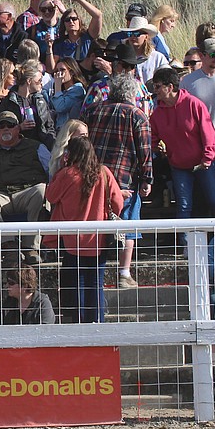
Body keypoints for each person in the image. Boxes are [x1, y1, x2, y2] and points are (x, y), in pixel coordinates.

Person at [82, 73, 153, 288]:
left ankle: (96, 275)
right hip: (124, 181)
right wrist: (147, 179)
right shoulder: (137, 115)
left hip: (93, 179)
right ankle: (124, 273)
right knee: (129, 225)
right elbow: (145, 151)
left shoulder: (92, 111)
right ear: (131, 94)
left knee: (97, 224)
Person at [44, 136, 124, 322]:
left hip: (73, 242)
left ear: (71, 153)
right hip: (99, 240)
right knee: (96, 285)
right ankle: (98, 324)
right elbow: (118, 203)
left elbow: (51, 196)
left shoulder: (67, 174)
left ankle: (81, 326)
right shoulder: (104, 173)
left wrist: (59, 169)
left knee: (77, 285)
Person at [0, 109, 51, 262]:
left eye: (10, 125)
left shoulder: (36, 147)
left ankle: (30, 248)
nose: (6, 128)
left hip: (27, 192)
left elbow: (52, 171)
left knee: (41, 190)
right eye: (1, 125)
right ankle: (8, 247)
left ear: (18, 128)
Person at [149, 67, 215, 220]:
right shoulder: (157, 113)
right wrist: (156, 146)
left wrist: (207, 158)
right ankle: (184, 244)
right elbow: (152, 136)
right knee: (183, 206)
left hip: (203, 164)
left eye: (157, 86)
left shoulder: (194, 104)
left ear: (169, 87)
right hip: (178, 166)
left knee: (214, 201)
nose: (155, 90)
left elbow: (208, 133)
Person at [181, 38, 215, 206]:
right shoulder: (188, 82)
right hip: (199, 148)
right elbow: (183, 114)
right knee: (202, 197)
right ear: (202, 56)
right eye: (212, 54)